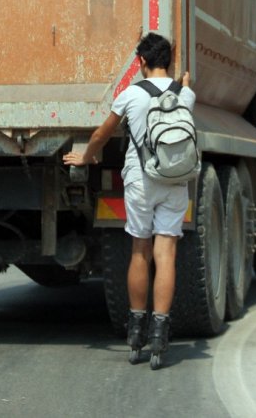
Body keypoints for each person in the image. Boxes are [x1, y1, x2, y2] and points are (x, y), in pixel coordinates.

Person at [62, 32, 195, 356]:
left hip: (141, 179)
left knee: (140, 251)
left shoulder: (131, 95)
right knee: (167, 255)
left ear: (141, 62)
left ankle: (136, 329)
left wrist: (87, 155)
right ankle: (161, 330)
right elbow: (185, 90)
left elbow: (102, 132)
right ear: (169, 61)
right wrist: (184, 81)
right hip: (176, 179)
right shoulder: (186, 95)